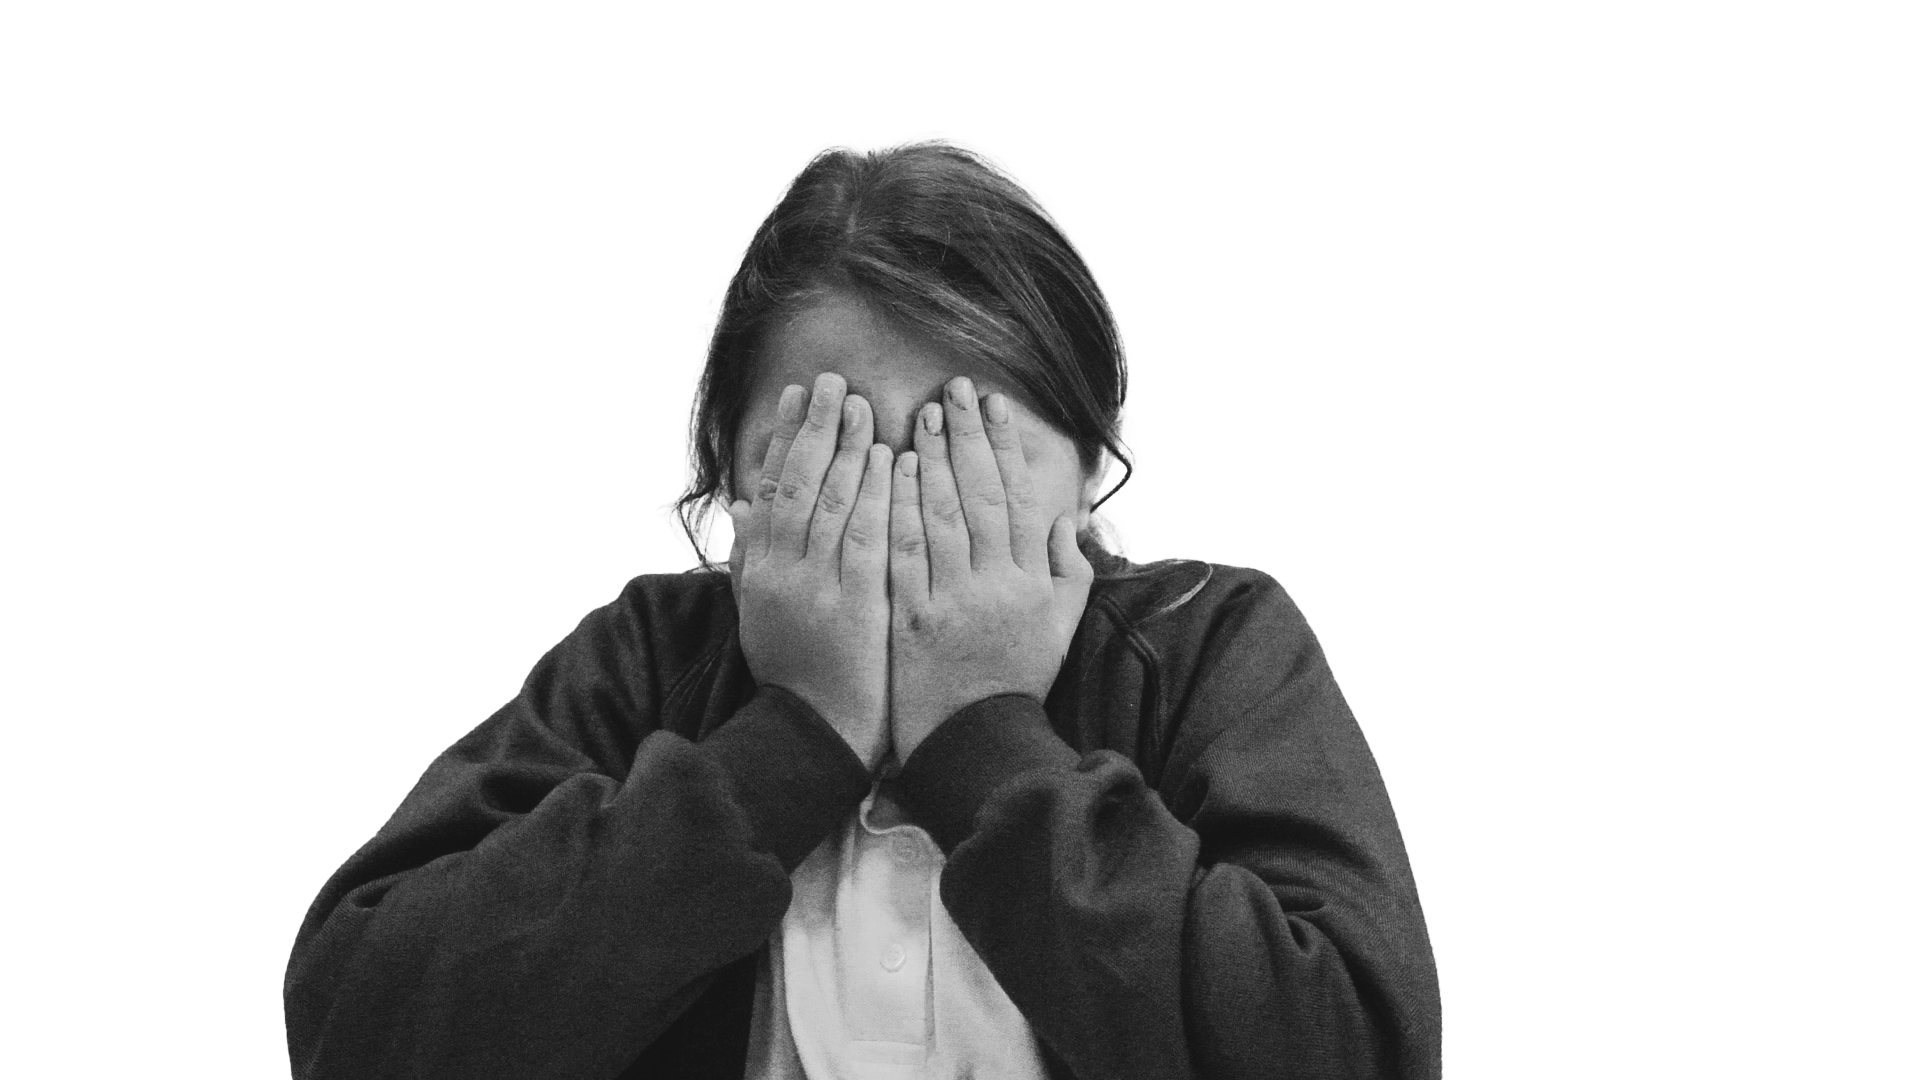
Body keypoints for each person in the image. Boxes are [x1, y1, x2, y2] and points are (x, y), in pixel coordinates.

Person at [284, 142, 1441, 1080]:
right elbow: (358, 1029)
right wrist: (794, 734)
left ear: (1089, 466)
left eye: (966, 443)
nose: (898, 507)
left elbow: (1357, 1048)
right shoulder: (651, 663)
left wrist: (984, 734)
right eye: (836, 447)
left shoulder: (1203, 644)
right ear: (735, 479)